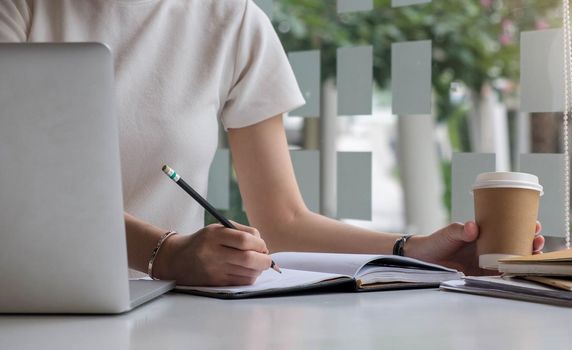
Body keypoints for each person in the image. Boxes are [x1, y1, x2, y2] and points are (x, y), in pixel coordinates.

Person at [0, 0, 544, 286]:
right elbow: (16, 190)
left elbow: (282, 221)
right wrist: (166, 253)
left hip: (156, 314)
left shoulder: (230, 20)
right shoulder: (20, 8)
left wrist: (414, 253)